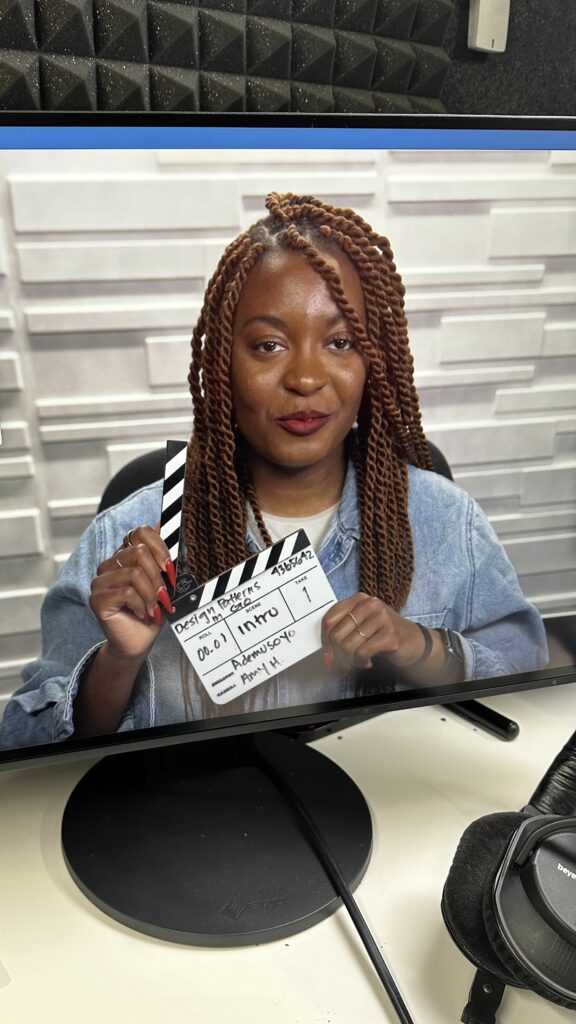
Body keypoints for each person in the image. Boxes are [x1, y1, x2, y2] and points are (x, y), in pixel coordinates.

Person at [0, 193, 548, 748]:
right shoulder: (127, 541)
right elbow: (23, 741)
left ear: (373, 363)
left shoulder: (446, 521)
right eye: (269, 345)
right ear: (223, 365)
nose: (307, 377)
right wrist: (118, 662)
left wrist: (423, 648)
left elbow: (527, 672)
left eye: (341, 342)